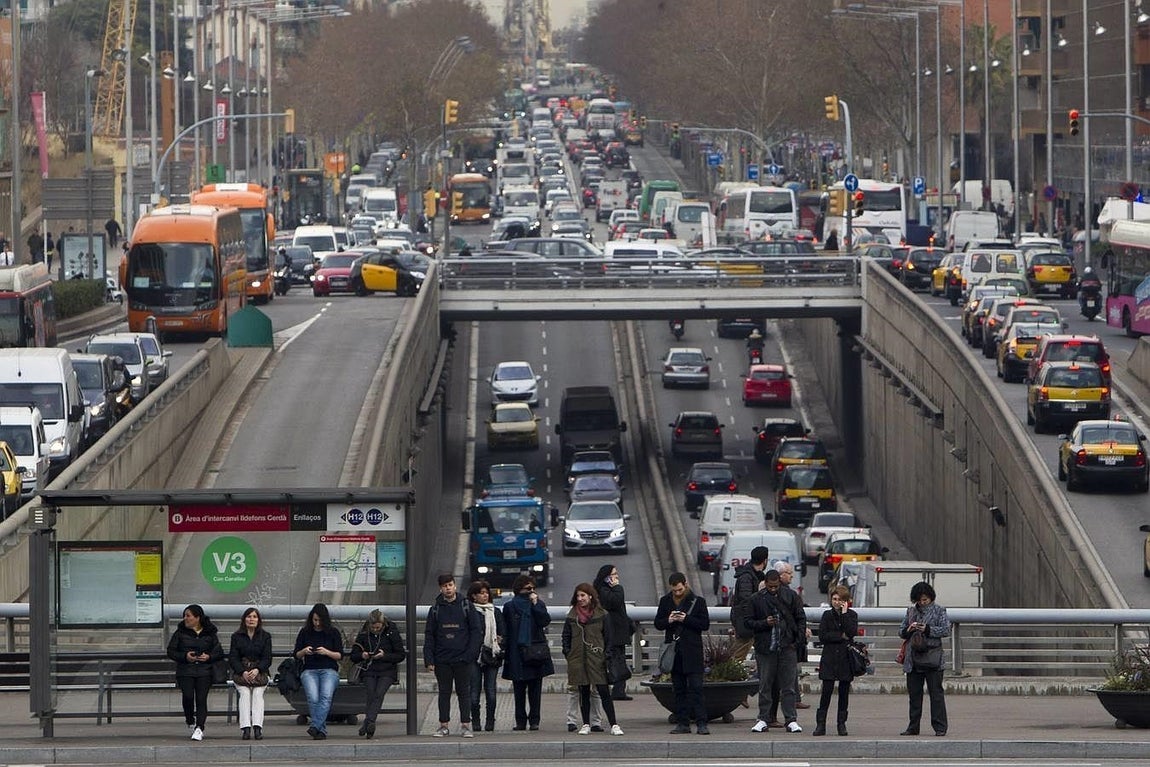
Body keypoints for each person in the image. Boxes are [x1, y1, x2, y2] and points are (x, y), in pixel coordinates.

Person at [561, 583, 624, 736]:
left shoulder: (601, 614)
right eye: (578, 596)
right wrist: (568, 653)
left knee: (603, 691)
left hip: (597, 658)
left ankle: (614, 724)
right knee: (583, 691)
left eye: (583, 595)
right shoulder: (572, 616)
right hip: (578, 659)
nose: (580, 599)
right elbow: (566, 636)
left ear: (590, 596)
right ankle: (586, 724)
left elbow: (608, 637)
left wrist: (606, 655)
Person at [747, 569, 805, 734]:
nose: (773, 589)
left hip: (786, 646)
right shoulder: (756, 599)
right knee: (765, 684)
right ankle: (763, 718)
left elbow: (801, 618)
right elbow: (748, 622)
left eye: (776, 586)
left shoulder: (791, 596)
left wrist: (797, 641)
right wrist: (765, 623)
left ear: (779, 583)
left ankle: (791, 719)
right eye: (770, 586)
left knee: (788, 687)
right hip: (766, 648)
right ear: (765, 583)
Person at [654, 571, 711, 735]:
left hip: (692, 651)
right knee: (678, 689)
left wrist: (685, 618)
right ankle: (682, 722)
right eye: (674, 591)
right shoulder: (665, 601)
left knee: (697, 688)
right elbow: (658, 623)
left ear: (685, 585)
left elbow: (704, 624)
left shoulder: (698, 601)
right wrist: (669, 620)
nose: (677, 593)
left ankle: (701, 722)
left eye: (679, 590)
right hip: (675, 652)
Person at [425, 573, 482, 738]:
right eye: (444, 586)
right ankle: (444, 725)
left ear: (454, 586)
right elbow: (430, 635)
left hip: (463, 659)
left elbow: (476, 632)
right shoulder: (435, 609)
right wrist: (429, 659)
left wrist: (470, 655)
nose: (448, 588)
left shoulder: (466, 606)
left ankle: (465, 725)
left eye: (450, 585)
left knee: (464, 692)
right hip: (442, 659)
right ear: (440, 588)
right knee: (444, 692)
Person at [501, 574, 554, 731]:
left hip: (535, 651)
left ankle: (534, 720)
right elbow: (507, 630)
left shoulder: (538, 604)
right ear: (519, 589)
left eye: (533, 588)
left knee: (535, 689)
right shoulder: (510, 607)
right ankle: (520, 721)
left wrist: (536, 604)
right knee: (519, 690)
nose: (531, 591)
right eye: (527, 589)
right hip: (517, 652)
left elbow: (545, 621)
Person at [899, 581, 950, 737]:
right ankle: (913, 726)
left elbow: (946, 629)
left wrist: (927, 629)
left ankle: (940, 727)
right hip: (913, 659)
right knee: (914, 695)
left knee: (936, 695)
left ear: (931, 598)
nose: (922, 603)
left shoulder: (939, 611)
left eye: (925, 600)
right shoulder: (910, 612)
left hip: (933, 658)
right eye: (919, 600)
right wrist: (909, 629)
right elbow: (901, 631)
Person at [166, 604, 223, 741]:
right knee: (188, 696)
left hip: (204, 671)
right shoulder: (180, 633)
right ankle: (190, 719)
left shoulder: (210, 633)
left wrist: (208, 657)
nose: (186, 618)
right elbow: (171, 651)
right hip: (186, 671)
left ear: (197, 618)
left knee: (201, 699)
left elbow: (219, 652)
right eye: (185, 616)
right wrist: (185, 656)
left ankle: (200, 727)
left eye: (188, 616)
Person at [351, 608, 406, 739]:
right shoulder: (364, 633)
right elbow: (354, 655)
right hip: (369, 668)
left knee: (378, 693)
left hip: (387, 669)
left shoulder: (391, 632)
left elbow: (400, 654)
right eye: (373, 627)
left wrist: (384, 655)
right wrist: (362, 655)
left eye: (378, 627)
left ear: (383, 624)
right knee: (371, 692)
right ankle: (369, 723)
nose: (375, 630)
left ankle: (369, 722)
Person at [768, 561, 811, 723]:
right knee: (774, 682)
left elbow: (800, 617)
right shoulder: (772, 596)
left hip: (788, 643)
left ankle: (786, 717)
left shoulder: (790, 595)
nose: (792, 576)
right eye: (789, 573)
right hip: (779, 644)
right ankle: (774, 717)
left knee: (783, 681)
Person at [293, 602, 343, 740]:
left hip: (329, 669)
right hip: (309, 669)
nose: (317, 623)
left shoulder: (333, 632)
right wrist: (304, 651)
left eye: (320, 620)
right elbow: (296, 654)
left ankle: (315, 726)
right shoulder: (304, 632)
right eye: (314, 620)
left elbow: (339, 655)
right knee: (313, 697)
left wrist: (326, 652)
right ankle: (320, 730)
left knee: (326, 696)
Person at [813, 585, 858, 736]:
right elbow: (823, 636)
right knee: (826, 691)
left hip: (845, 658)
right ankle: (821, 724)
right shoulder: (827, 615)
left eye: (839, 600)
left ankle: (841, 724)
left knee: (844, 693)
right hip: (830, 658)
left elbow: (851, 632)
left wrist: (844, 615)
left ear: (845, 601)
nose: (836, 602)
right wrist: (840, 636)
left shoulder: (852, 615)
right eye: (834, 599)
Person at [228, 607, 272, 741]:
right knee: (245, 694)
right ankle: (246, 728)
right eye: (248, 616)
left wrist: (257, 669)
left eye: (254, 617)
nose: (251, 619)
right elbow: (233, 658)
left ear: (259, 620)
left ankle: (257, 727)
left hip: (260, 673)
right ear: (244, 619)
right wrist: (243, 672)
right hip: (241, 674)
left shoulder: (265, 636)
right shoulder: (236, 636)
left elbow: (267, 658)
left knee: (258, 694)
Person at [593, 564, 634, 701]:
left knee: (619, 660)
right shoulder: (604, 591)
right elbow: (615, 602)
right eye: (613, 574)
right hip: (613, 631)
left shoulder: (606, 590)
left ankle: (619, 689)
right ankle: (616, 689)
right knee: (616, 660)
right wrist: (617, 587)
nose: (617, 577)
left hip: (617, 630)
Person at [468, 580, 504, 732]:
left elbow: (503, 632)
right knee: (474, 692)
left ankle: (490, 720)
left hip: (491, 655)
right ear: (474, 596)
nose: (484, 595)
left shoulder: (495, 612)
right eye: (481, 593)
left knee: (491, 691)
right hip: (474, 657)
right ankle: (475, 720)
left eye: (486, 593)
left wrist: (499, 642)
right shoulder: (469, 611)